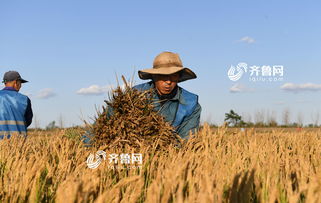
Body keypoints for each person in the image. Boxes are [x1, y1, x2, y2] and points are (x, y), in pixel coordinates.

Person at [134, 51, 201, 139]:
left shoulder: (190, 103)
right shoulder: (135, 95)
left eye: (173, 76)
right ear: (154, 76)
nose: (168, 81)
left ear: (179, 77)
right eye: (163, 75)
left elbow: (186, 139)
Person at [0, 71, 33, 139]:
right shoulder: (25, 100)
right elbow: (28, 121)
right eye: (20, 83)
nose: (21, 86)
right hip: (19, 143)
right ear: (15, 83)